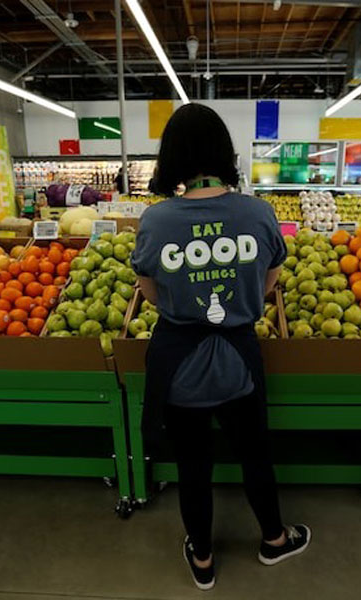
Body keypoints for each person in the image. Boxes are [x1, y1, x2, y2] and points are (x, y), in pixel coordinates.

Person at [131, 104, 309, 591]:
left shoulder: (157, 221)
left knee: (193, 465)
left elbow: (150, 292)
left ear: (170, 159)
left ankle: (204, 559)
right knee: (255, 453)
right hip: (238, 359)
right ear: (224, 153)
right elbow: (270, 282)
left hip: (180, 361)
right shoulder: (257, 213)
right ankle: (275, 538)